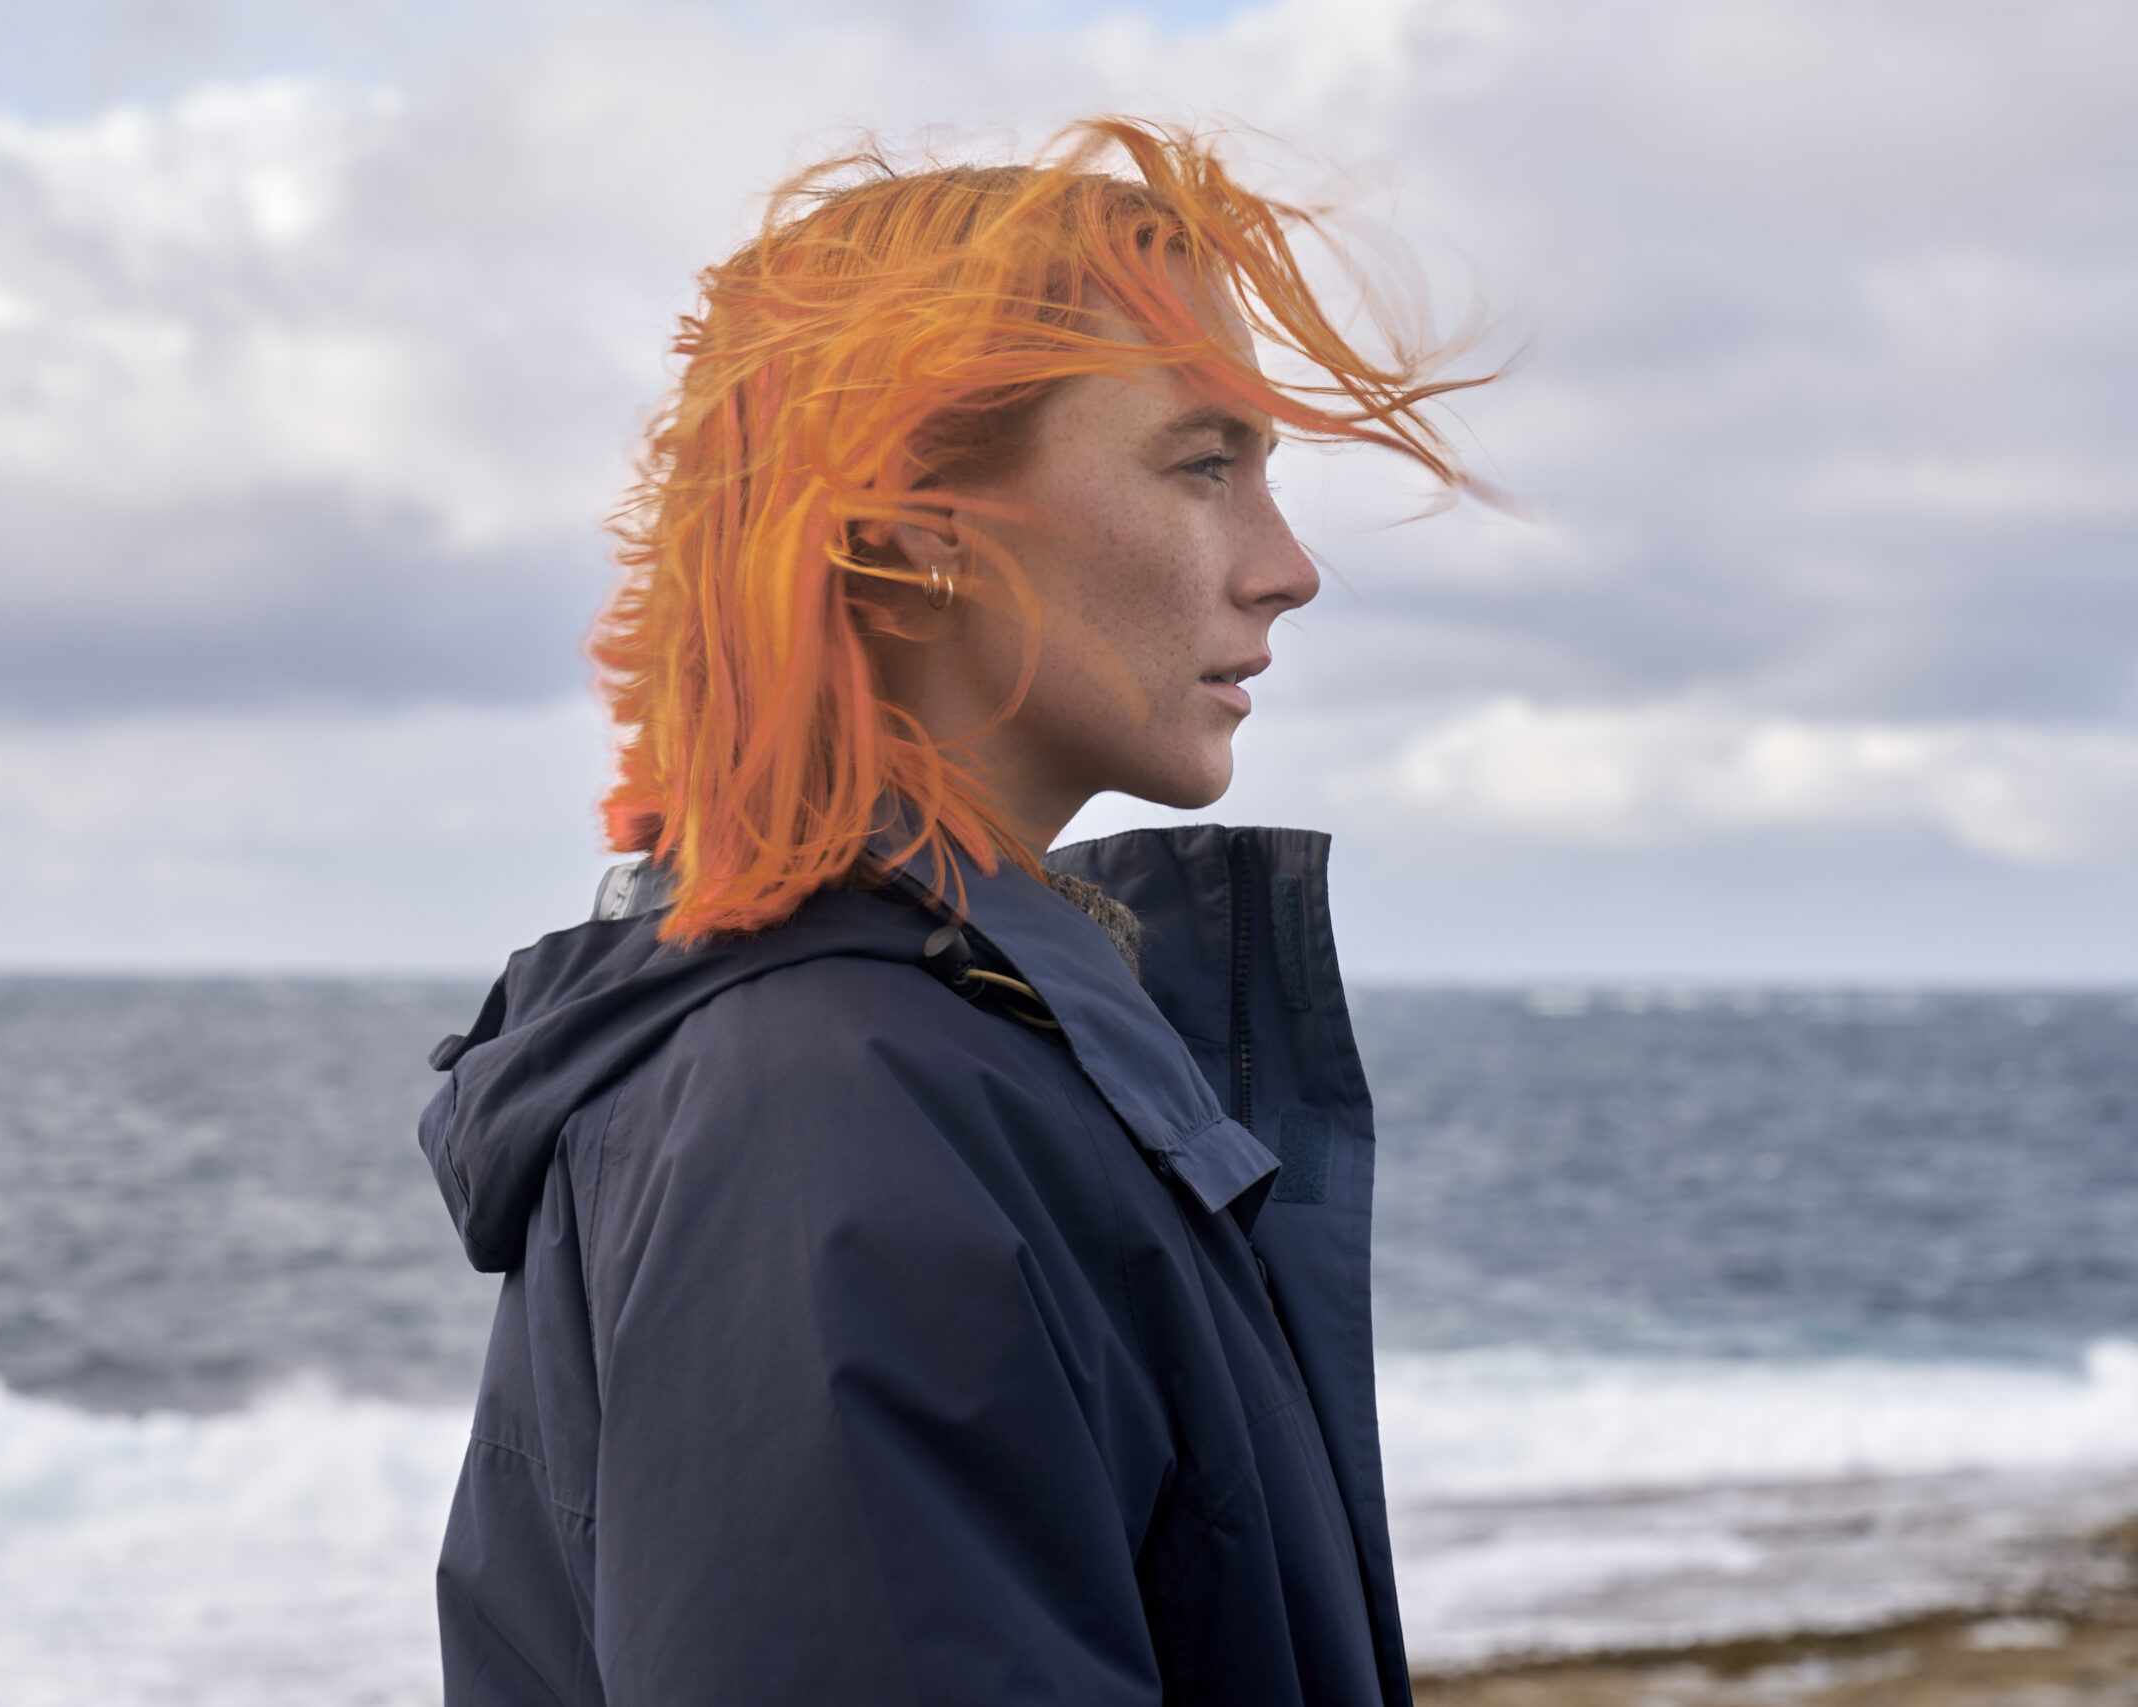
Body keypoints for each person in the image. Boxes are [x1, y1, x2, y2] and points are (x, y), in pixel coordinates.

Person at [417, 117, 1480, 1705]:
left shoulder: (955, 1044)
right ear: (913, 517)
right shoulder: (827, 1111)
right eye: (1203, 465)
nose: (1286, 566)